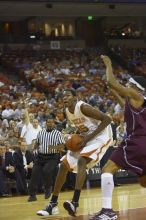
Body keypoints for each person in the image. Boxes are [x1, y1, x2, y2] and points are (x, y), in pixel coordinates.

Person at [37, 89, 113, 217]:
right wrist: (71, 138)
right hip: (86, 137)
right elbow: (81, 128)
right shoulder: (67, 112)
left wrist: (88, 138)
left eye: (67, 95)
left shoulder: (82, 107)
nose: (64, 98)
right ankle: (52, 204)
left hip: (101, 136)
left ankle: (75, 203)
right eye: (63, 96)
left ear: (75, 97)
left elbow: (107, 120)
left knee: (82, 160)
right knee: (63, 165)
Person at [89, 55, 146, 220]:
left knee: (107, 168)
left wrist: (108, 65)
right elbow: (125, 106)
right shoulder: (139, 101)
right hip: (143, 142)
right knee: (144, 182)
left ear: (135, 87)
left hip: (136, 141)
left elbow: (113, 82)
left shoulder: (136, 95)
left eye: (128, 84)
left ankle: (107, 211)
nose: (126, 85)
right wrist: (114, 93)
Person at [27, 117, 65, 202]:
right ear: (46, 123)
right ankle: (32, 195)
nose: (50, 124)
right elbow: (37, 142)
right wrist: (33, 148)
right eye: (48, 122)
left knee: (46, 170)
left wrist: (53, 147)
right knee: (34, 173)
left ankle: (48, 187)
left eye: (51, 122)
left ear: (54, 124)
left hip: (53, 157)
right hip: (41, 156)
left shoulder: (58, 133)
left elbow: (62, 147)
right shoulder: (41, 132)